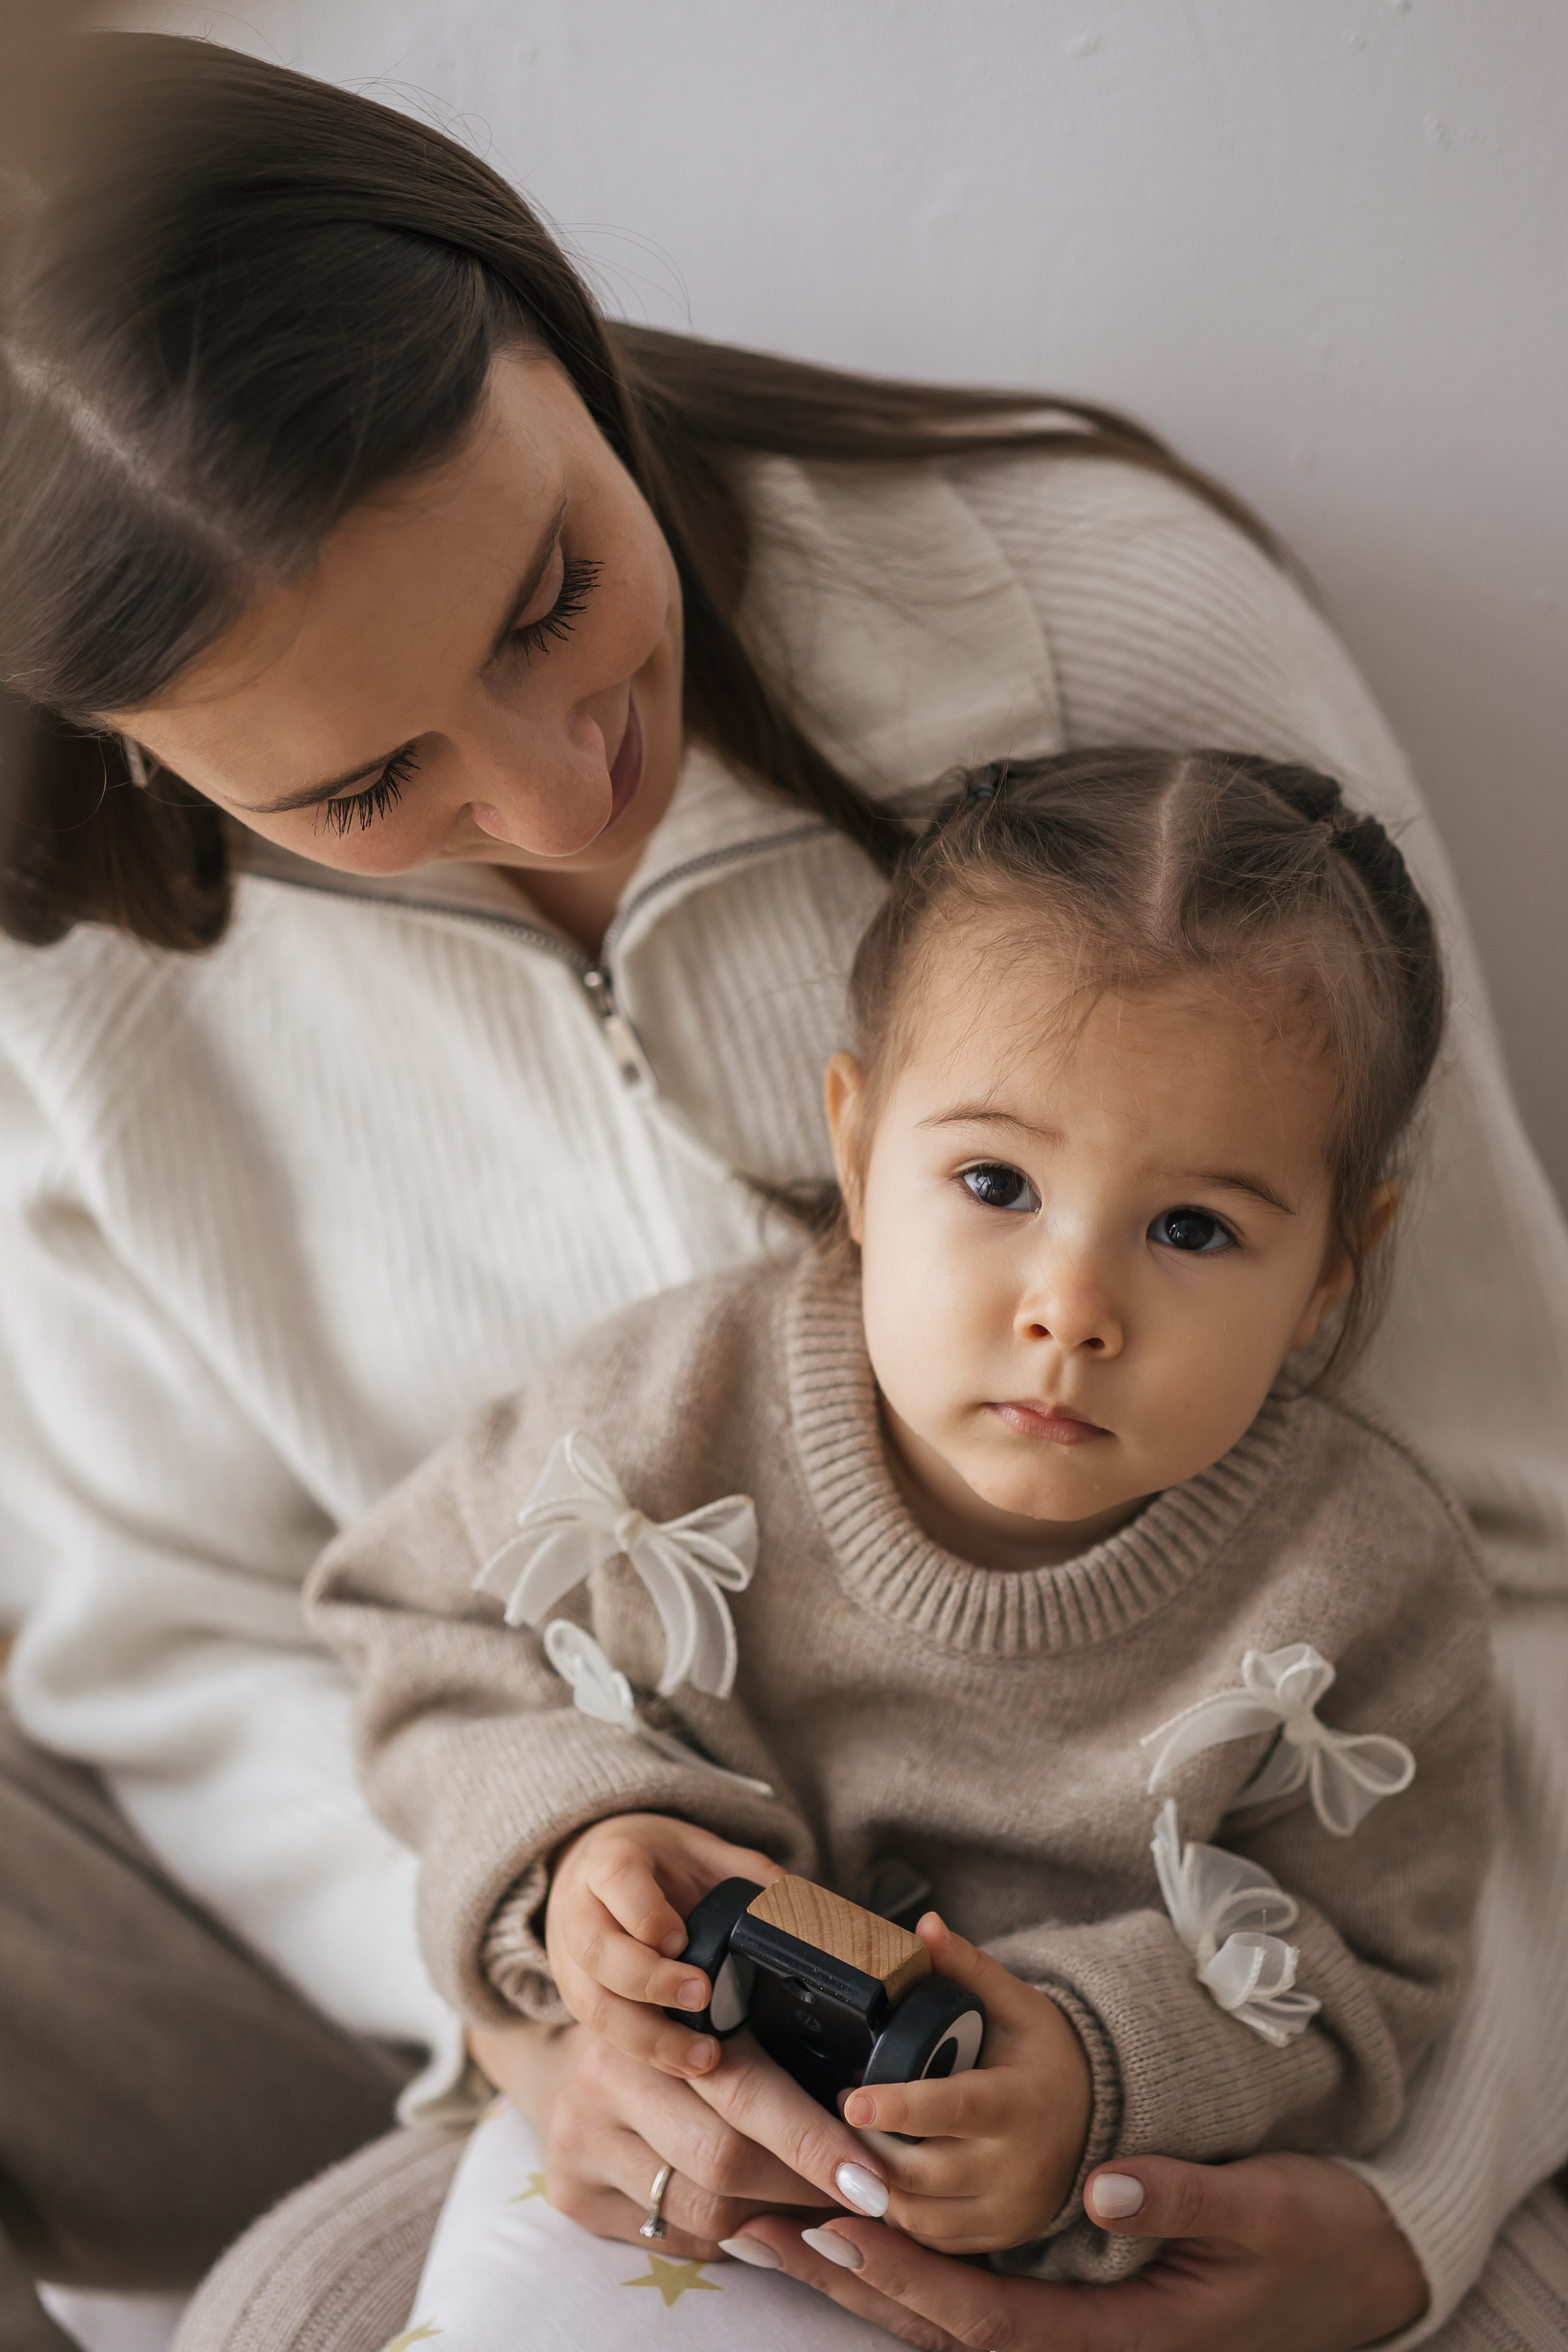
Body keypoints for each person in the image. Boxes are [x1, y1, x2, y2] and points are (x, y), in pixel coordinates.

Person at [0, 28, 1563, 2352]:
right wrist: (545, 1991)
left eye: (546, 599)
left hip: (1214, 2044)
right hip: (509, 1938)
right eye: (355, 783)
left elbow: (1512, 1576)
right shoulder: (105, 954)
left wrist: (1410, 2207)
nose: (547, 792)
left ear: (537, 313)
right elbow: (213, 1635)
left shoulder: (1120, 676)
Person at [304, 748, 1501, 2347]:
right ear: (860, 1154)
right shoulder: (668, 1409)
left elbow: (1377, 1973)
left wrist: (1098, 2065)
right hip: (644, 2169)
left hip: (1079, 2275)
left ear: (1338, 1268)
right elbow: (406, 1625)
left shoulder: (1365, 1578)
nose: (1071, 1306)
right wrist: (566, 1857)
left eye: (1194, 1229)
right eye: (996, 1182)